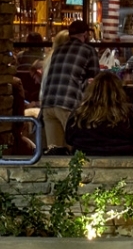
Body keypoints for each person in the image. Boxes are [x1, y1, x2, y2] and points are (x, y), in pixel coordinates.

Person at [38, 21, 101, 152]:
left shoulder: (58, 50)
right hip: (68, 104)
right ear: (85, 34)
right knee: (76, 149)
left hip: (48, 104)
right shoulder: (88, 51)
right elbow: (95, 82)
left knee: (54, 151)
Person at [65, 71, 133, 155]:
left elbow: (69, 139)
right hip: (126, 161)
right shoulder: (129, 115)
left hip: (86, 162)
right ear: (119, 91)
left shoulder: (79, 115)